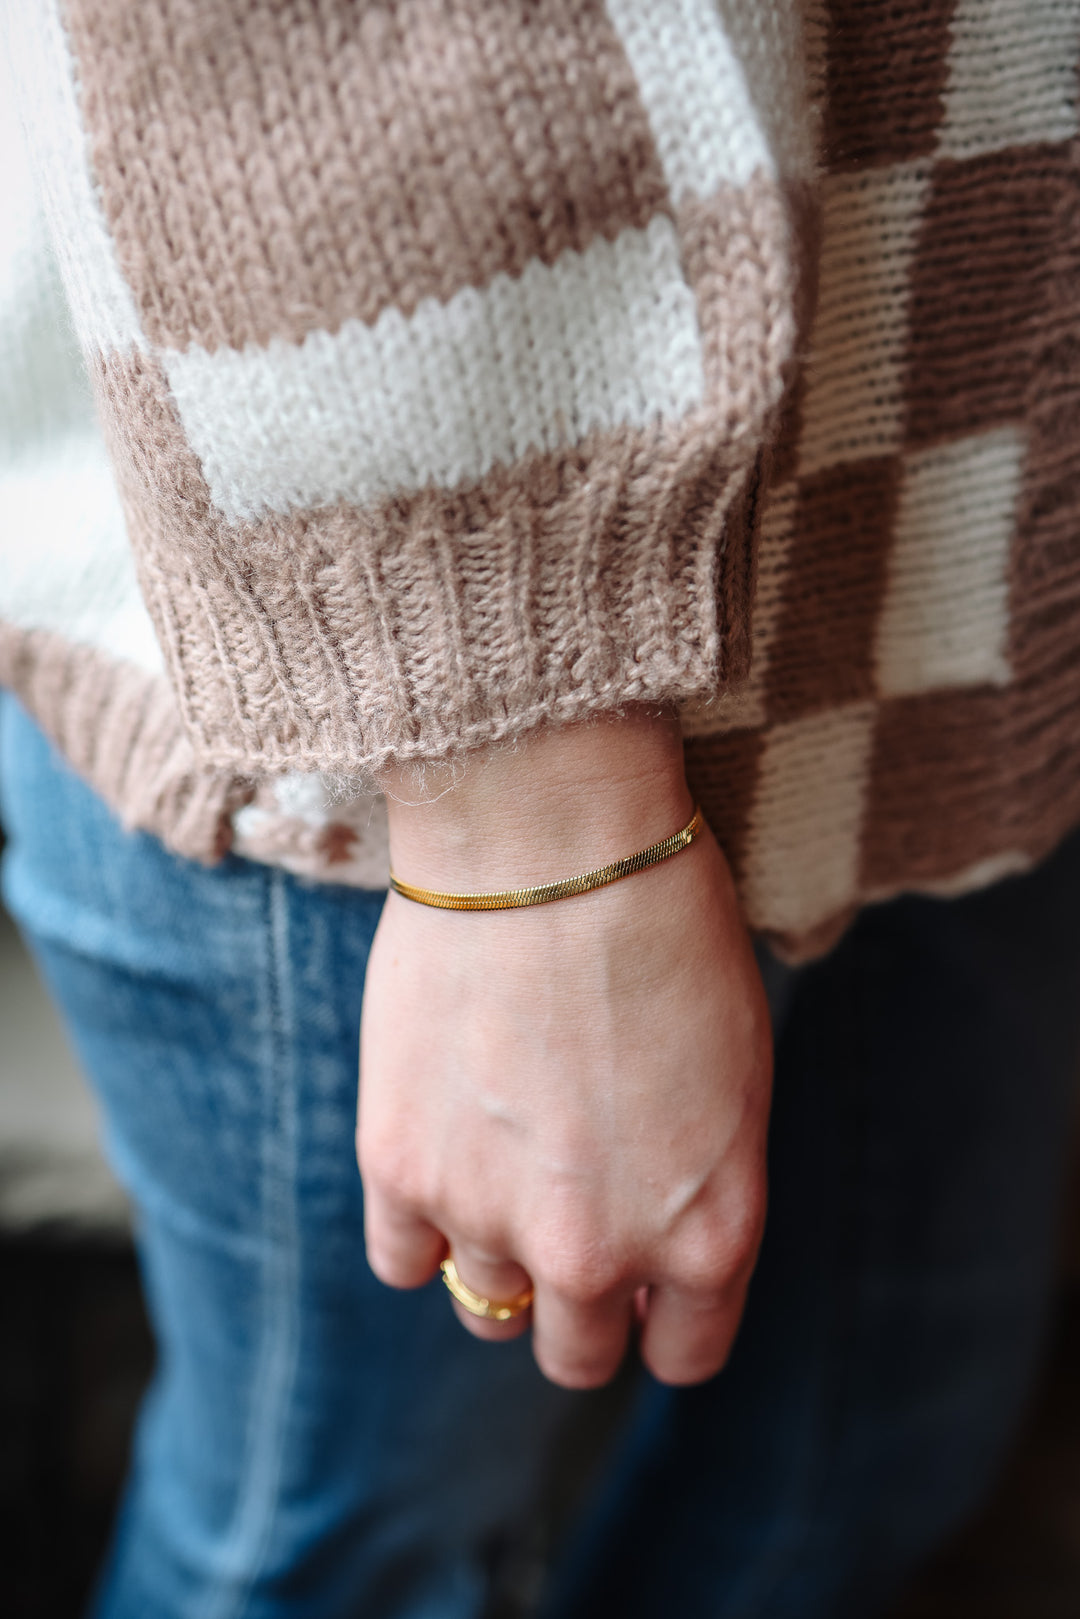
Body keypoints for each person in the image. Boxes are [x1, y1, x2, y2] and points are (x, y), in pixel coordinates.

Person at [2, 1, 1079, 1615]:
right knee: (338, 1550)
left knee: (867, 1454)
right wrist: (532, 815)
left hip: (969, 562)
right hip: (416, 724)